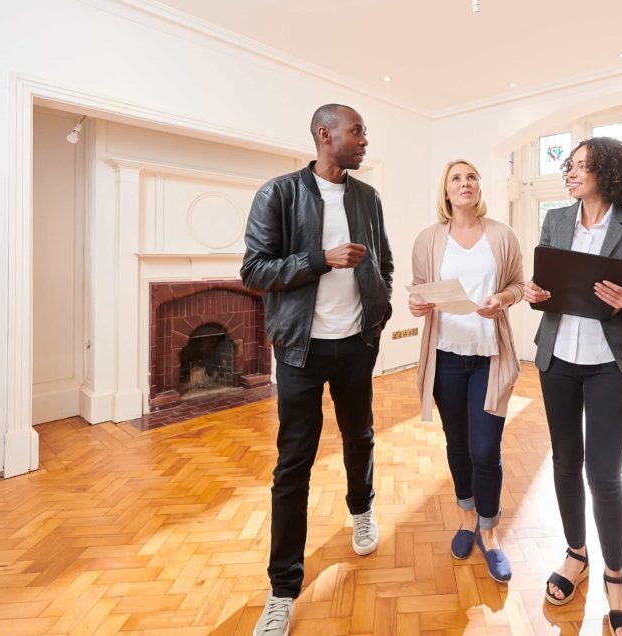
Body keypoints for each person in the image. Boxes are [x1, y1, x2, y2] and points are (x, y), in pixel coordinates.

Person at [241, 104, 393, 636]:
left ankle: (362, 509)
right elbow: (254, 271)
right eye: (358, 131)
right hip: (300, 351)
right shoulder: (278, 194)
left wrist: (378, 314)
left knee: (361, 437)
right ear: (325, 135)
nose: (365, 140)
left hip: (355, 345)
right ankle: (283, 590)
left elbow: (384, 263)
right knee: (292, 466)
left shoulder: (367, 197)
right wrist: (320, 259)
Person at [523, 137, 622, 636]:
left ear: (609, 171)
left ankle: (615, 576)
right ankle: (575, 553)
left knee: (604, 474)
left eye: (583, 166)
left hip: (606, 363)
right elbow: (546, 287)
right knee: (563, 462)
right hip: (556, 357)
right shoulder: (556, 221)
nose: (572, 174)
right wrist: (536, 294)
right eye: (569, 167)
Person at [409, 159, 525, 582]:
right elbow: (421, 292)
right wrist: (417, 305)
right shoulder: (428, 239)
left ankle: (489, 532)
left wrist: (504, 299)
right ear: (445, 191)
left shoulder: (501, 235)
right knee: (457, 443)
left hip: (488, 356)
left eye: (472, 176)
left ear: (479, 187)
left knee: (484, 449)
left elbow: (516, 284)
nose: (465, 183)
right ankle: (465, 516)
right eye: (456, 178)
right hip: (446, 357)